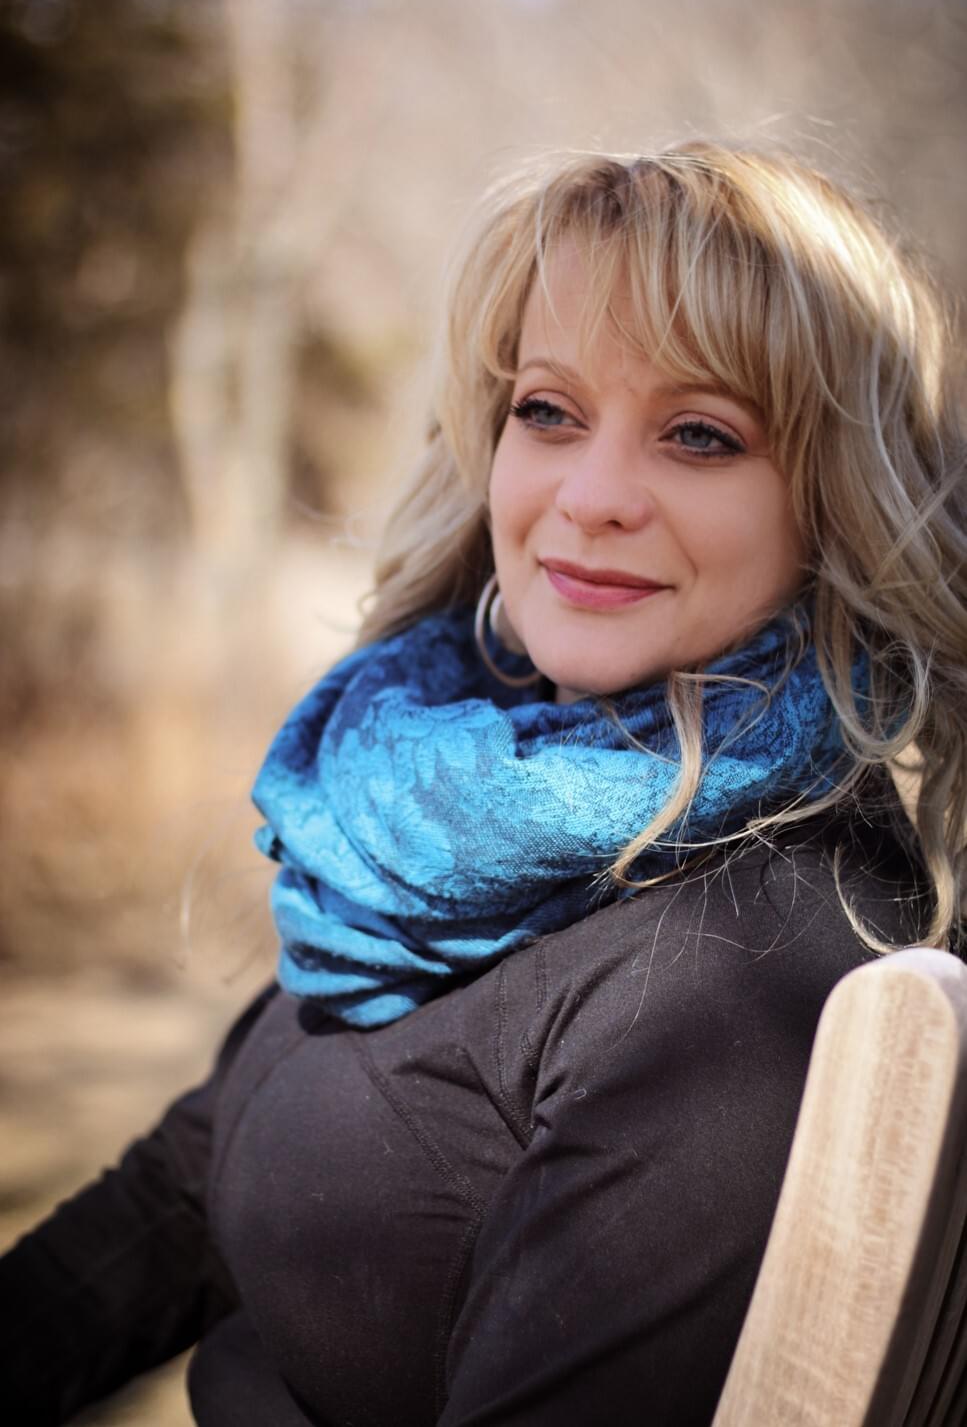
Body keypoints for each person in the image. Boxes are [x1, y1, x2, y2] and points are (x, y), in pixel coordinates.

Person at [2, 140, 965, 1426]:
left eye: (699, 433)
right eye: (549, 410)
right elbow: (195, 1174)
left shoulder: (741, 969)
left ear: (832, 505)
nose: (592, 494)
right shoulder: (470, 806)